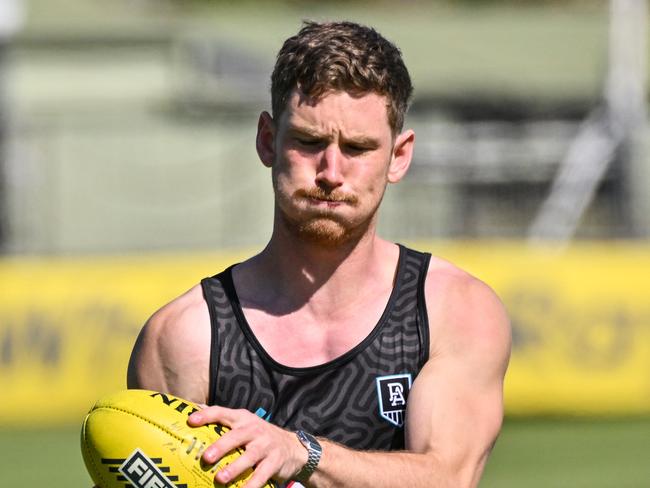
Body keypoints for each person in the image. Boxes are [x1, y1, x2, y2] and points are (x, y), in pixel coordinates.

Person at [127, 20, 511, 488]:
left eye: (358, 148)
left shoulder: (453, 310)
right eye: (309, 142)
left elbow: (447, 477)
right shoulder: (186, 338)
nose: (331, 171)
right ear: (268, 140)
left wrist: (301, 452)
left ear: (399, 156)